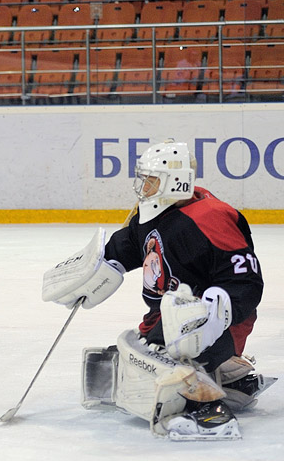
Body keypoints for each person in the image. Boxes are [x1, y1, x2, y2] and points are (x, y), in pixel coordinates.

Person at [42, 140, 271, 440]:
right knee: (138, 355)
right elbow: (125, 247)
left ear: (174, 183)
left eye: (150, 180)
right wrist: (92, 272)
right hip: (166, 322)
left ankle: (207, 404)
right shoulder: (152, 213)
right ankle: (222, 374)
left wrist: (213, 314)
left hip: (212, 325)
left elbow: (247, 282)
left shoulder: (210, 218)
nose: (143, 186)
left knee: (165, 360)